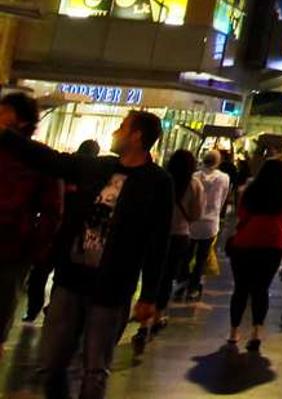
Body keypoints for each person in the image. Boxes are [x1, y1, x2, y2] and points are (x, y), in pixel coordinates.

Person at [0, 110, 172, 399]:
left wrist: (150, 295)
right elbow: (51, 160)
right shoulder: (99, 167)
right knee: (52, 363)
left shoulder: (157, 182)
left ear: (137, 136)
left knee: (95, 370)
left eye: (122, 127)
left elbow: (158, 241)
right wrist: (7, 137)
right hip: (71, 278)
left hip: (111, 287)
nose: (116, 132)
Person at [0, 93, 61, 350]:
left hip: (12, 246)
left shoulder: (38, 158)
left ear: (23, 121)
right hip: (15, 244)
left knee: (1, 304)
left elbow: (52, 209)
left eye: (5, 111)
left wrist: (34, 245)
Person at [23, 139, 96, 325]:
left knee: (41, 273)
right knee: (59, 275)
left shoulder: (63, 173)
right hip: (68, 234)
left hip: (54, 231)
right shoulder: (90, 179)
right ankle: (50, 308)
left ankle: (35, 309)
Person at [224, 160, 282, 352]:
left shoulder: (250, 191)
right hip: (272, 245)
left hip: (245, 243)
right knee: (261, 289)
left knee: (241, 289)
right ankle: (256, 332)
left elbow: (242, 215)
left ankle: (233, 331)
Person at [140, 150, 200, 342]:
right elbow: (196, 214)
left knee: (151, 274)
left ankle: (143, 321)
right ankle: (157, 317)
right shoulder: (194, 185)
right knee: (167, 278)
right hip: (179, 236)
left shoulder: (161, 179)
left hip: (155, 234)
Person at [182, 150, 229, 302]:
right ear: (217, 162)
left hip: (192, 222)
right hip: (210, 223)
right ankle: (193, 288)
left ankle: (182, 282)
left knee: (187, 255)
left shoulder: (194, 177)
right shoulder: (224, 178)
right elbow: (222, 199)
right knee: (202, 257)